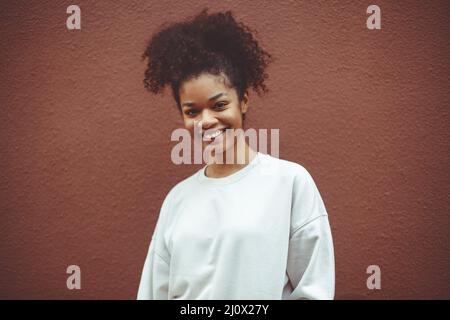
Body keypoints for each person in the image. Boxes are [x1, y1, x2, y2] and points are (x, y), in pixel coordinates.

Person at [137, 8, 335, 300]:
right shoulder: (177, 200)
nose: (205, 121)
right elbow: (154, 293)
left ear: (243, 101)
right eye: (192, 111)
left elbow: (314, 287)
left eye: (218, 105)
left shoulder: (290, 183)